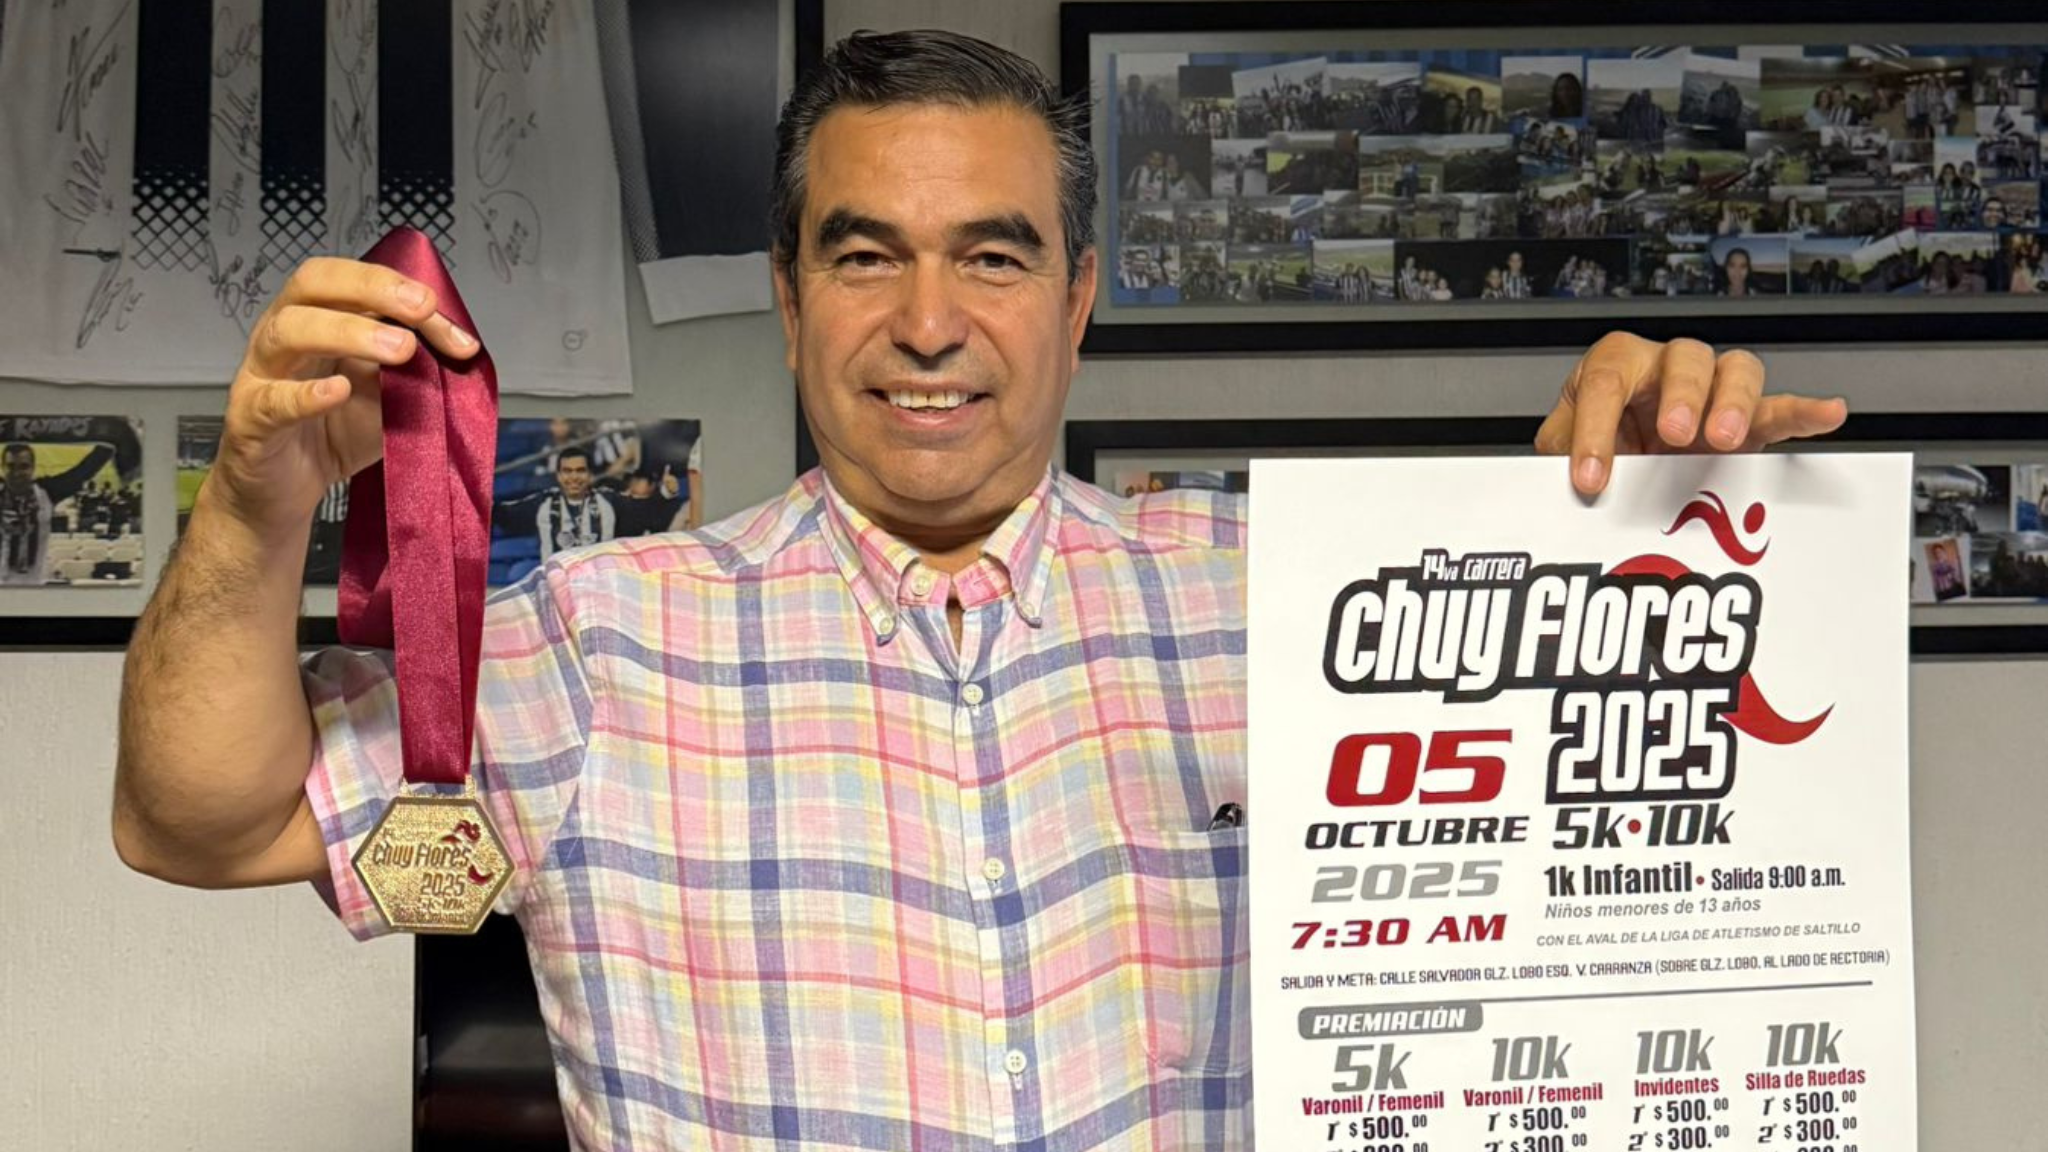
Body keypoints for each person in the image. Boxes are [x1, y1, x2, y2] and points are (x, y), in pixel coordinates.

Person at [111, 29, 1849, 1152]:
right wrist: (259, 499)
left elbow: (1613, 870)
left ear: (1076, 299)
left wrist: (1615, 543)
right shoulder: (596, 640)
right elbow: (195, 818)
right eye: (865, 255)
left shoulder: (1299, 614)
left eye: (992, 257)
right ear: (789, 300)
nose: (928, 323)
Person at [0, 440, 116, 586]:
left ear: (33, 468)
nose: (17, 473)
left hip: (35, 584)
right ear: (2, 467)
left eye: (24, 467)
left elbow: (83, 471)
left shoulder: (47, 491)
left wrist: (111, 437)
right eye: (11, 466)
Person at [532, 446, 616, 560]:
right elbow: (548, 557)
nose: (574, 477)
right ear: (558, 476)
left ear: (590, 475)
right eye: (567, 471)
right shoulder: (546, 508)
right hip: (559, 570)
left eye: (580, 470)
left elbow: (605, 555)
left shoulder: (605, 505)